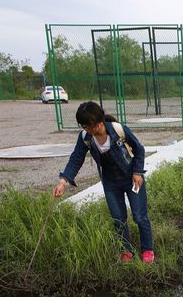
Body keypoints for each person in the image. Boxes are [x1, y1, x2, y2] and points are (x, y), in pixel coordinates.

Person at [53, 101, 154, 263]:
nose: (86, 130)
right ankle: (126, 250)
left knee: (140, 216)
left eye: (88, 126)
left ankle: (147, 249)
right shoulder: (86, 137)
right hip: (110, 183)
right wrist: (63, 181)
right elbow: (76, 158)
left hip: (131, 179)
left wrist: (137, 172)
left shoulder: (117, 130)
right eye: (83, 126)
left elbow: (139, 149)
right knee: (118, 218)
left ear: (99, 123)